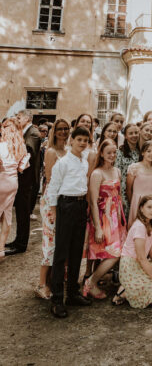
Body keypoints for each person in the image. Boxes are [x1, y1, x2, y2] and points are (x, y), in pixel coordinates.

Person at [48, 126, 92, 318]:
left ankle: (72, 293)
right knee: (61, 253)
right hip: (66, 205)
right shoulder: (63, 162)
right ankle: (57, 299)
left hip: (81, 206)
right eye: (79, 139)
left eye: (85, 140)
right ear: (71, 140)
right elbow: (53, 187)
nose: (82, 143)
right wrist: (54, 211)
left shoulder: (84, 162)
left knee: (76, 252)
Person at [84, 139, 127, 300]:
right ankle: (91, 281)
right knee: (114, 253)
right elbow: (93, 202)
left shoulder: (117, 171)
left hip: (117, 216)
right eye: (108, 152)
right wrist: (98, 226)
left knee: (119, 251)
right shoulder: (97, 173)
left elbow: (119, 196)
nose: (112, 155)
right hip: (103, 217)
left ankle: (97, 280)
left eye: (114, 152)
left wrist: (122, 218)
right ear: (101, 153)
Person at [36, 119, 68, 299]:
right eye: (60, 129)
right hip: (52, 200)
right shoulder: (51, 151)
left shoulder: (68, 151)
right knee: (50, 242)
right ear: (54, 132)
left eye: (66, 129)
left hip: (66, 200)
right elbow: (49, 180)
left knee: (61, 240)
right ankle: (41, 284)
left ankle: (54, 278)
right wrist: (53, 205)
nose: (63, 132)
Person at [4, 110, 40, 256]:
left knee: (23, 212)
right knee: (19, 211)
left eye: (19, 117)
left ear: (27, 118)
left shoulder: (33, 133)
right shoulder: (25, 131)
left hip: (27, 180)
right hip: (20, 178)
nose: (17, 120)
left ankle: (21, 244)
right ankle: (17, 240)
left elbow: (28, 151)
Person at [0, 118, 30, 261]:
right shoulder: (21, 147)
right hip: (12, 183)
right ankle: (0, 251)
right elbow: (22, 168)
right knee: (7, 216)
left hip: (1, 179)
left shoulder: (1, 145)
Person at [127, 141, 152, 227]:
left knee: (151, 227)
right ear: (143, 152)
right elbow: (129, 189)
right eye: (148, 151)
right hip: (138, 201)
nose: (151, 154)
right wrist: (134, 203)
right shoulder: (134, 167)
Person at [115, 123, 140, 220]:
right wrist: (119, 194)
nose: (134, 135)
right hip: (124, 191)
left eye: (136, 133)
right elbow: (117, 174)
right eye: (131, 133)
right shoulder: (120, 152)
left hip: (138, 190)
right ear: (125, 135)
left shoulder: (140, 151)